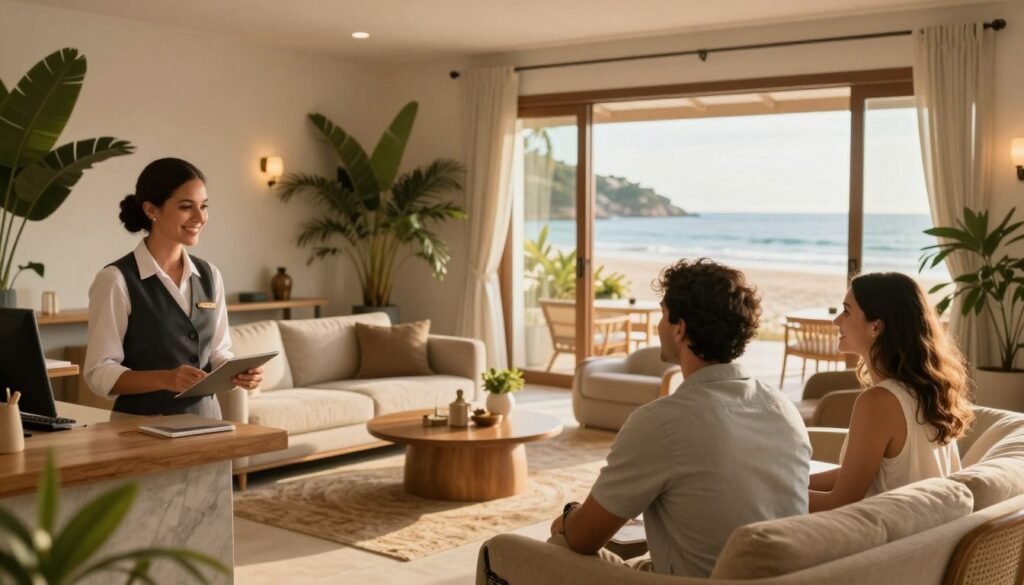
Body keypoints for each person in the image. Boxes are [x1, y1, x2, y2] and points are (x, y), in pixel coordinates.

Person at [549, 258, 811, 577]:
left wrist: (569, 514)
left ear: (679, 328)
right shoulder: (782, 407)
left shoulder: (661, 422)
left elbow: (584, 538)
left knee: (531, 547)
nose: (659, 325)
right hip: (783, 578)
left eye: (663, 314)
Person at [84, 158, 262, 418]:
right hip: (139, 428)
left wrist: (238, 372)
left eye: (204, 206)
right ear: (151, 210)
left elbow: (218, 352)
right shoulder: (115, 280)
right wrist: (164, 379)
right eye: (186, 207)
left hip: (208, 423)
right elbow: (98, 373)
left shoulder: (210, 275)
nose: (200, 217)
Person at [809, 272, 973, 512]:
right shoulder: (926, 391)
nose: (836, 321)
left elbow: (840, 502)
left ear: (876, 327)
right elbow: (857, 474)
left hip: (889, 533)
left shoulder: (879, 402)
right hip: (925, 527)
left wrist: (765, 495)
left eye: (846, 311)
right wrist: (794, 482)